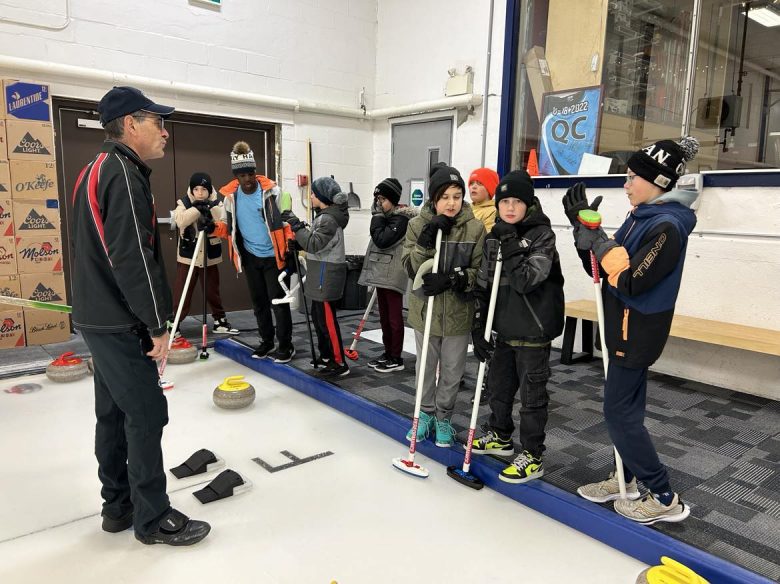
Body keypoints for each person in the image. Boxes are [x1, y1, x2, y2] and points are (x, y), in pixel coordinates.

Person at [70, 86, 210, 546]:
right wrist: (157, 325)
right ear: (131, 124)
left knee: (112, 414)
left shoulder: (92, 170)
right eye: (158, 122)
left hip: (97, 315)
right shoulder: (123, 174)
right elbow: (131, 257)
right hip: (120, 318)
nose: (165, 132)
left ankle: (118, 507)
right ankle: (152, 519)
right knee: (147, 413)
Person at [562, 136, 700, 525]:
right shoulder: (640, 217)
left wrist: (601, 240)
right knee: (628, 411)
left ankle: (663, 495)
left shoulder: (667, 227)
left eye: (632, 177)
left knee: (619, 414)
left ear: (658, 181)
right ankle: (626, 477)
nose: (626, 184)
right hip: (620, 325)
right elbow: (601, 268)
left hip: (636, 330)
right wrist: (583, 230)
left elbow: (633, 280)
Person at [470, 170, 565, 484]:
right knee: (499, 388)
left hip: (533, 329)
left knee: (531, 397)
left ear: (529, 203)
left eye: (517, 202)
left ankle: (533, 455)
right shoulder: (494, 234)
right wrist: (479, 324)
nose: (510, 208)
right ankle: (499, 434)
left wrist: (510, 241)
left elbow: (526, 280)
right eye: (504, 201)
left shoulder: (542, 235)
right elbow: (485, 282)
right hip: (504, 327)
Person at [401, 163, 486, 447]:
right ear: (434, 198)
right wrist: (426, 239)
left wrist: (452, 279)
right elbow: (410, 268)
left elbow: (479, 271)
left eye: (457, 196)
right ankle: (423, 415)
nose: (451, 203)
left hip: (458, 314)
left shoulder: (474, 228)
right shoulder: (416, 225)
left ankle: (443, 417)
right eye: (445, 196)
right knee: (425, 368)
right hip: (427, 312)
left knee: (452, 371)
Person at [220, 141, 295, 363]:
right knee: (259, 303)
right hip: (250, 257)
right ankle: (267, 341)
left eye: (251, 173)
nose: (248, 179)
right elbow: (227, 227)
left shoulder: (273, 192)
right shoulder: (230, 197)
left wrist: (291, 245)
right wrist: (211, 226)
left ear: (255, 172)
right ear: (236, 176)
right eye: (242, 175)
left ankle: (285, 345)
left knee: (278, 303)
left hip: (275, 257)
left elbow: (287, 221)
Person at [283, 177, 351, 378]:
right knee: (318, 318)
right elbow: (314, 244)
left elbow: (314, 244)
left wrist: (296, 226)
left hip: (326, 276)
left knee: (327, 321)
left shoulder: (328, 220)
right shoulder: (324, 216)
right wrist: (300, 243)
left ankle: (339, 362)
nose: (310, 196)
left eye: (313, 193)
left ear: (321, 197)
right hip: (320, 273)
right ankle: (326, 356)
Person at [358, 178, 416, 373]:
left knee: (393, 317)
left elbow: (382, 240)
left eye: (382, 199)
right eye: (377, 199)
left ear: (392, 199)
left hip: (393, 274)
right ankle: (388, 351)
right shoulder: (386, 216)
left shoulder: (401, 219)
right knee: (384, 317)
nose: (379, 203)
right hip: (382, 272)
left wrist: (377, 217)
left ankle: (396, 357)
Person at [170, 172, 238, 337]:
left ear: (209, 190)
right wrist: (196, 209)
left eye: (203, 189)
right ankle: (174, 323)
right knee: (183, 291)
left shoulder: (216, 202)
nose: (200, 193)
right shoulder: (184, 202)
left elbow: (224, 219)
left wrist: (209, 210)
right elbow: (180, 220)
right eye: (196, 189)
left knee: (212, 290)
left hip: (209, 257)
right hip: (188, 256)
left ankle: (219, 320)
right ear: (192, 190)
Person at [468, 167, 499, 232]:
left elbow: (485, 236)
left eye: (480, 183)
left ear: (489, 189)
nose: (474, 187)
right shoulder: (464, 208)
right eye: (471, 183)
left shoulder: (493, 212)